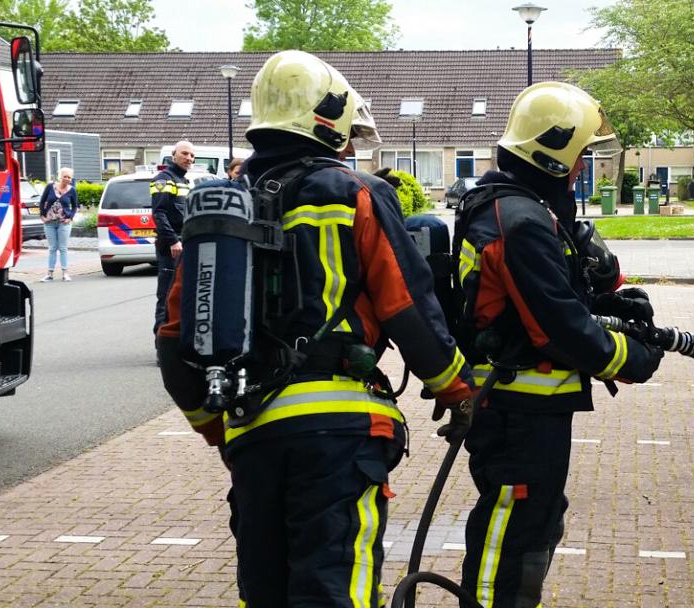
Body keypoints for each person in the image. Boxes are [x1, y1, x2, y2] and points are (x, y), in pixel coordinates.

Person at [157, 50, 474, 607]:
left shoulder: (223, 212)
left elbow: (173, 339)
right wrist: (457, 389)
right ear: (327, 122)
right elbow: (408, 306)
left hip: (252, 429)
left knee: (266, 592)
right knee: (334, 590)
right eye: (348, 137)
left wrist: (217, 429)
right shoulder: (356, 192)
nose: (350, 149)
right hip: (339, 437)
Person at [453, 81, 664, 608]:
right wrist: (631, 359)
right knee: (512, 526)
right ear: (553, 155)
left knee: (537, 520)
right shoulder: (520, 220)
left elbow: (546, 300)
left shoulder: (519, 210)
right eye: (579, 155)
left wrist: (611, 306)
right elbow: (558, 327)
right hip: (517, 407)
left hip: (528, 407)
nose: (581, 168)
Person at [151, 140, 194, 335]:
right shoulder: (164, 179)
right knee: (167, 295)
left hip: (182, 244)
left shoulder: (183, 181)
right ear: (173, 155)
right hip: (171, 246)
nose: (189, 158)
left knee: (179, 294)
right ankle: (161, 341)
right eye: (185, 153)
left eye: (192, 155)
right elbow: (159, 213)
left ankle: (174, 338)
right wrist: (173, 240)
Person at [39, 168, 78, 282]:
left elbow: (75, 206)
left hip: (63, 223)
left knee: (63, 248)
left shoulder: (72, 190)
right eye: (65, 176)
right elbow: (42, 201)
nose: (67, 179)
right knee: (52, 248)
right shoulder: (50, 186)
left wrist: (70, 218)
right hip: (49, 223)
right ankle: (49, 274)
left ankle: (65, 273)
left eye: (69, 177)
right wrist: (42, 216)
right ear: (60, 176)